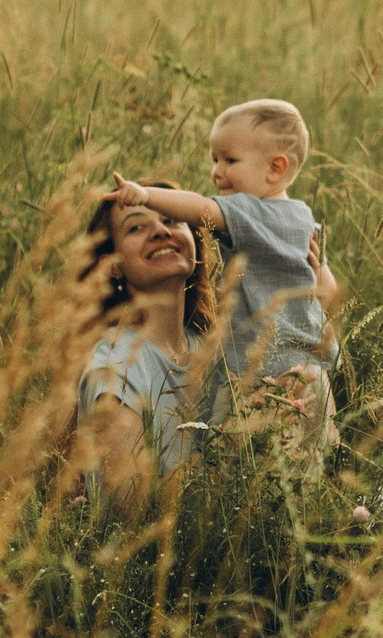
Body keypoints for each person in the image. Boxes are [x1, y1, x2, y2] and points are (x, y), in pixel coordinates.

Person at [110, 98, 341, 449]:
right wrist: (320, 266)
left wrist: (146, 196)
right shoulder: (303, 219)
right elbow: (327, 294)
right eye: (215, 159)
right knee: (308, 473)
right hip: (311, 376)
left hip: (266, 380)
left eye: (230, 160)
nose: (217, 172)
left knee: (237, 467)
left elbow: (202, 208)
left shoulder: (251, 212)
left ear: (275, 168)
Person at [69, 183, 222, 500]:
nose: (160, 231)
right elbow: (133, 502)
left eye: (171, 220)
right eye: (137, 227)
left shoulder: (210, 345)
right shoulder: (113, 369)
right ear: (113, 266)